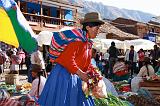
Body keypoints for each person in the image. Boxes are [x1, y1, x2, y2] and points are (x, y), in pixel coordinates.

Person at [38, 12, 104, 106]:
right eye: (97, 28)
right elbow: (67, 59)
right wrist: (81, 74)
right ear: (88, 27)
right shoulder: (77, 40)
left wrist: (94, 74)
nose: (98, 31)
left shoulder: (87, 43)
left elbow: (85, 63)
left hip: (74, 75)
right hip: (64, 76)